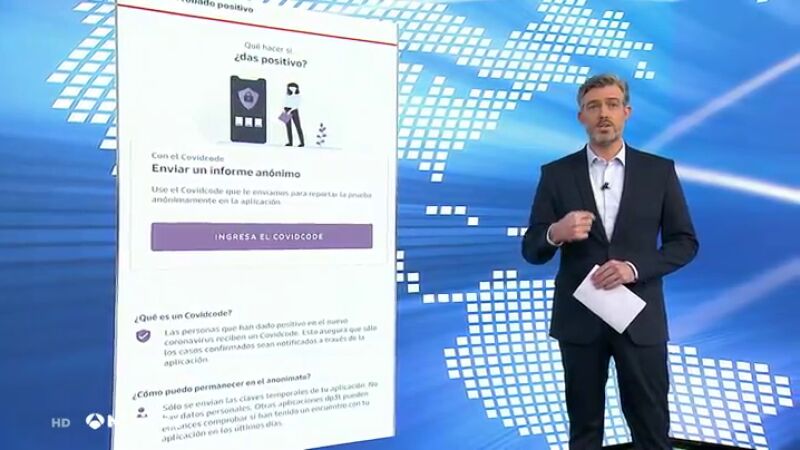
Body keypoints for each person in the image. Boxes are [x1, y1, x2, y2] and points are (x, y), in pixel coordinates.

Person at [521, 73, 699, 449]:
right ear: (581, 117)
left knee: (651, 428)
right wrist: (555, 232)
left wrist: (634, 269)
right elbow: (532, 250)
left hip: (640, 320)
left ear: (626, 112)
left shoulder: (658, 171)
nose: (603, 113)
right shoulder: (556, 174)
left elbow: (684, 243)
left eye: (612, 104)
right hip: (579, 322)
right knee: (584, 430)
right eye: (593, 106)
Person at [283, 82, 305, 147]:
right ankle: (290, 142)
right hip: (286, 110)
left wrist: (290, 111)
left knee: (298, 126)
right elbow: (284, 103)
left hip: (294, 111)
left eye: (293, 88)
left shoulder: (297, 96)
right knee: (288, 127)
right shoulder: (287, 95)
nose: (292, 89)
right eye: (290, 88)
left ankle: (302, 142)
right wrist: (284, 111)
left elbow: (296, 105)